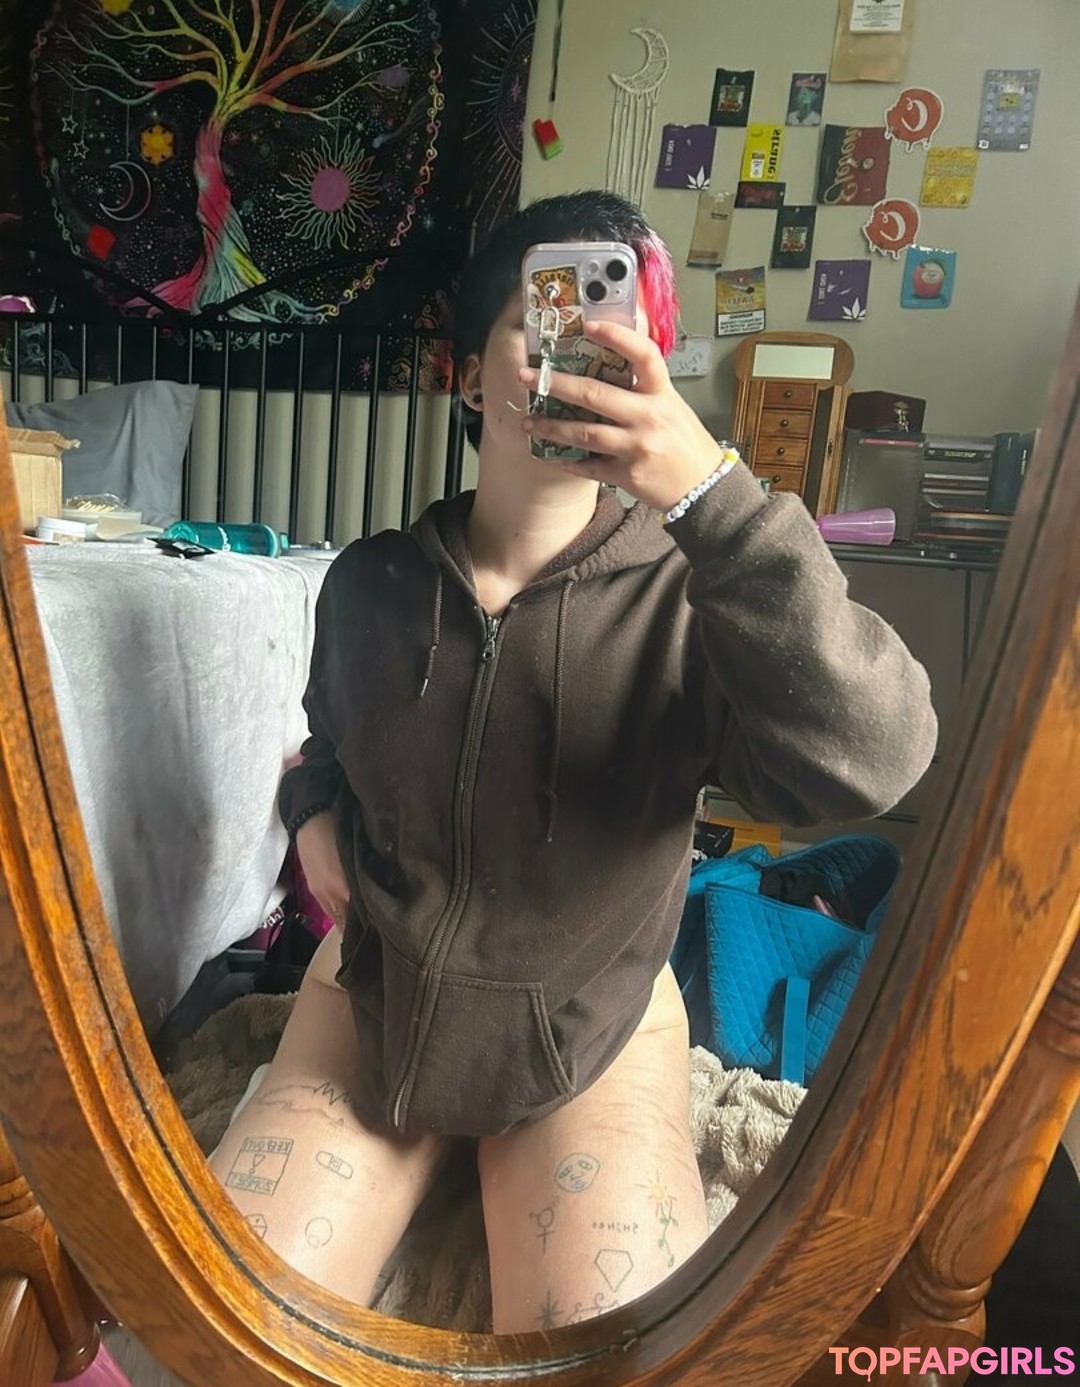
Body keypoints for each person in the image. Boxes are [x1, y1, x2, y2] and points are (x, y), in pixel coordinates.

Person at [209, 191, 937, 1333]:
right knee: (223, 1330)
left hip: (593, 1020)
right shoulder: (369, 584)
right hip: (376, 993)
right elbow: (332, 736)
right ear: (467, 374)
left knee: (613, 1356)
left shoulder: (699, 603)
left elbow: (877, 758)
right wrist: (311, 811)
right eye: (550, 325)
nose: (588, 359)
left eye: (620, 335)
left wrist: (714, 496)